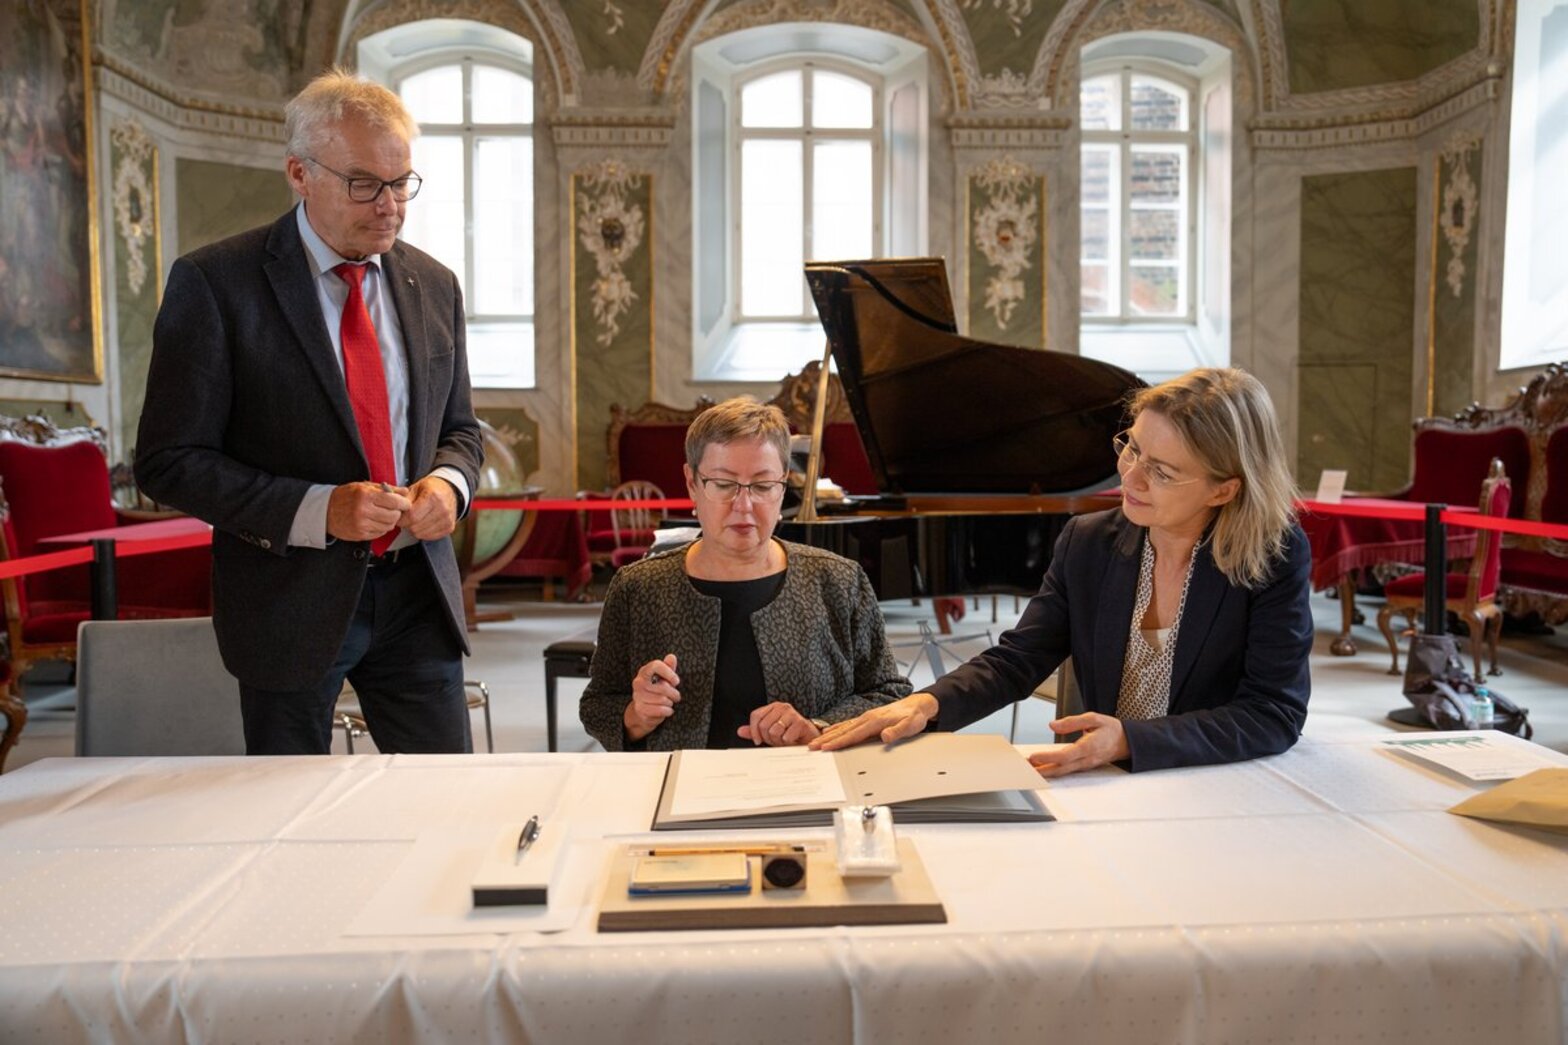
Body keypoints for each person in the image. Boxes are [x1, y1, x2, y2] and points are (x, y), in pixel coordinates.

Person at [135, 69, 483, 755]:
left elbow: (461, 430)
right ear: (299, 172)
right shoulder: (216, 284)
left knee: (449, 805)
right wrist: (317, 509)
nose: (389, 206)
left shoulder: (434, 284)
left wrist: (451, 485)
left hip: (418, 593)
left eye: (402, 182)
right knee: (285, 820)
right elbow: (168, 461)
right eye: (364, 184)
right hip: (288, 601)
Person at [813, 367, 1312, 775]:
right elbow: (1020, 659)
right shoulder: (1089, 540)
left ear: (1224, 489)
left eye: (1161, 471)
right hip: (1106, 779)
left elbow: (1272, 712)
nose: (1130, 477)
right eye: (1132, 447)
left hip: (1217, 780)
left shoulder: (1273, 556)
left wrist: (1130, 740)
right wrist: (928, 704)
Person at [580, 398, 910, 751]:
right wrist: (636, 716)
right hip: (683, 792)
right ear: (692, 483)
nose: (744, 505)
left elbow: (890, 694)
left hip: (806, 790)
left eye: (763, 486)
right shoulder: (639, 588)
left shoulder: (838, 581)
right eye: (723, 484)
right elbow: (598, 705)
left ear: (783, 487)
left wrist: (818, 727)